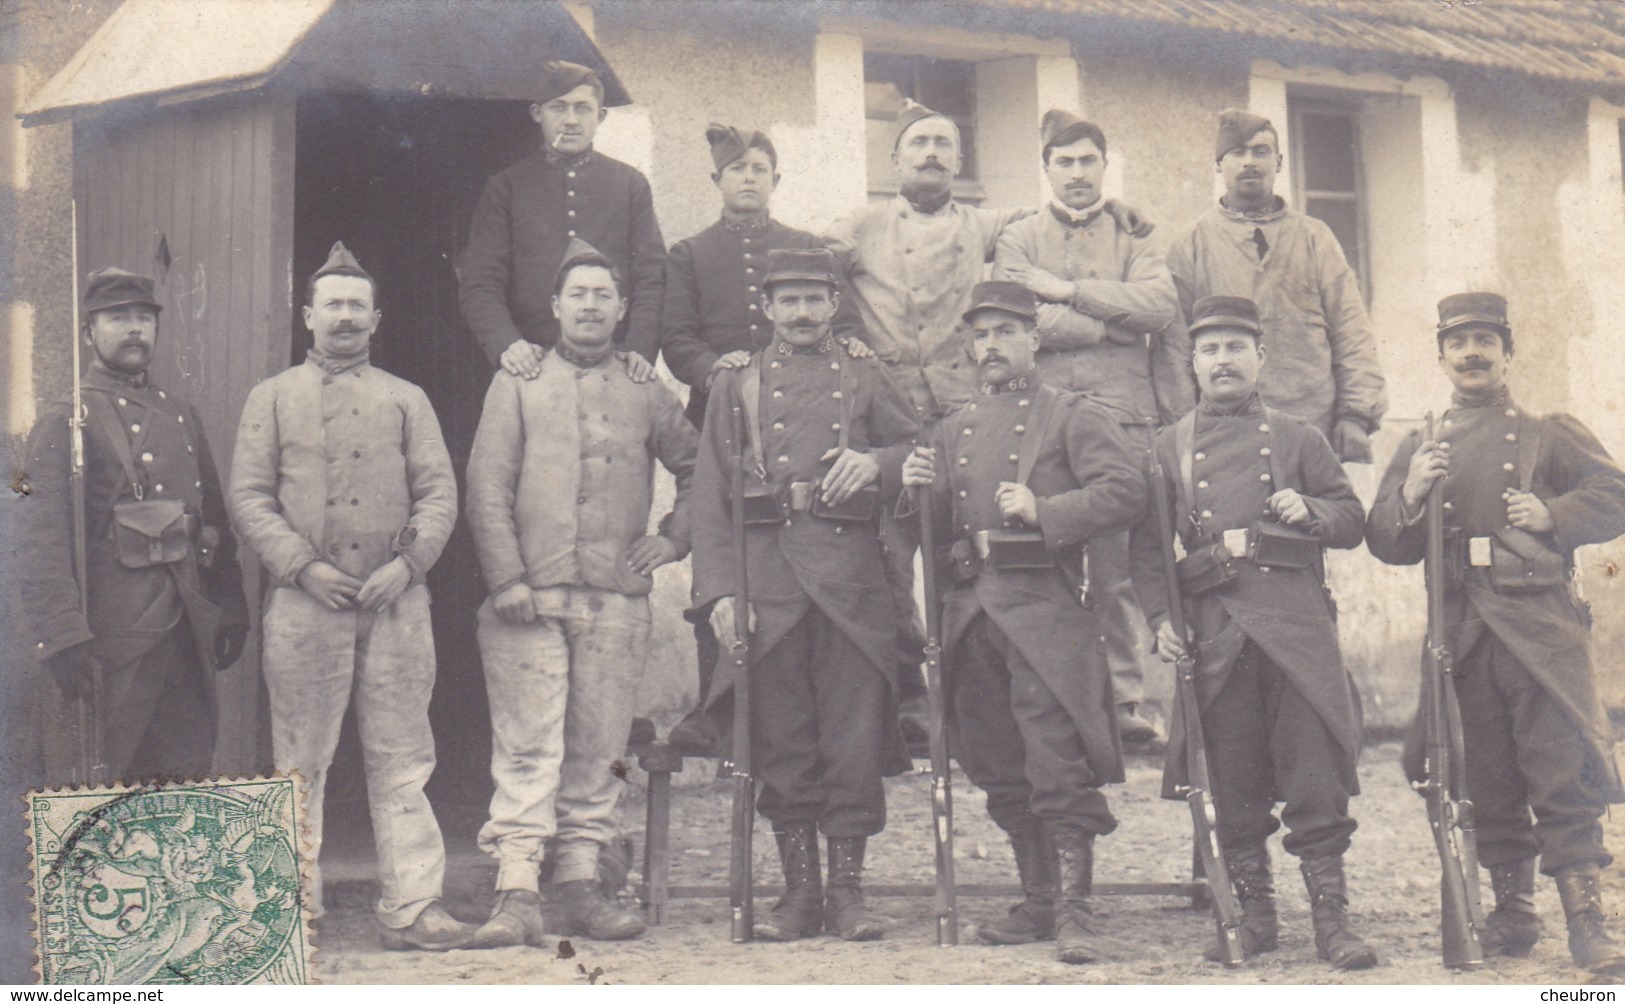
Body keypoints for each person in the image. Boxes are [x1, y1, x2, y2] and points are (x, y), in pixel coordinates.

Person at [1366, 292, 1625, 975]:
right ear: (1442, 356)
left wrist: (1551, 513)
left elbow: (1614, 495)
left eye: (1485, 340)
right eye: (1458, 342)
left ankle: (1585, 923)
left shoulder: (1548, 432)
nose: (1472, 353)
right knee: (1486, 776)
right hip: (1461, 630)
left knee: (1558, 771)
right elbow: (1384, 540)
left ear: (1507, 352)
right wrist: (1412, 493)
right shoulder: (1420, 443)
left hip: (1538, 629)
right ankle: (1512, 913)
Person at [1127, 294, 1376, 969]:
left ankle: (1331, 922)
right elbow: (1148, 550)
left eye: (1235, 346)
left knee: (1313, 778)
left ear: (1259, 359)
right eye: (1209, 349)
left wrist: (1311, 508)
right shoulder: (1167, 445)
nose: (1222, 360)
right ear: (1193, 364)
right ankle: (1252, 916)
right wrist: (1159, 620)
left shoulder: (1298, 437)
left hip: (1295, 630)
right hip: (1215, 631)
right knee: (1231, 783)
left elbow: (1352, 519)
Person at [229, 242, 466, 951]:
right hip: (306, 608)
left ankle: (414, 904)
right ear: (307, 316)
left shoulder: (406, 399)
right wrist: (302, 567)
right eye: (331, 304)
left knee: (403, 756)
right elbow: (250, 497)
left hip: (396, 607)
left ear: (376, 318)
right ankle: (294, 913)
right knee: (301, 758)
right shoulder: (270, 398)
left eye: (356, 306)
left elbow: (438, 492)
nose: (344, 317)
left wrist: (411, 563)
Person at [901, 280, 1145, 964]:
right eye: (980, 335)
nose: (990, 346)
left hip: (1043, 613)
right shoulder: (951, 429)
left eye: (1005, 332)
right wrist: (915, 489)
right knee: (995, 761)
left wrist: (1047, 509)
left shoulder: (1070, 415)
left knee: (1055, 759)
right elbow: (931, 532)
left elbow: (1126, 491)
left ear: (1033, 341)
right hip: (969, 614)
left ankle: (1074, 907)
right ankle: (1037, 899)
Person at [464, 238, 697, 946]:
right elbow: (486, 486)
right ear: (556, 307)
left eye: (603, 295)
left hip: (615, 602)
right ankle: (516, 891)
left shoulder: (644, 389)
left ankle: (579, 886)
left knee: (600, 751)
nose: (590, 306)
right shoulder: (520, 381)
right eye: (578, 295)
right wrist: (505, 577)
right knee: (529, 747)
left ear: (622, 310)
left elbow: (699, 470)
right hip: (527, 602)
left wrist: (670, 539)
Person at [689, 247, 919, 942]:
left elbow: (922, 453)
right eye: (786, 300)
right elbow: (709, 495)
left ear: (833, 305)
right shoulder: (736, 385)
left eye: (814, 298)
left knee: (851, 743)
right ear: (764, 308)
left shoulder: (864, 374)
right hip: (769, 584)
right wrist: (722, 591)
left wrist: (874, 462)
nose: (800, 312)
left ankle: (847, 894)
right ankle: (799, 896)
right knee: (783, 741)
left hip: (851, 586)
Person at [658, 122, 872, 754]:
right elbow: (677, 337)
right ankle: (713, 704)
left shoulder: (808, 250)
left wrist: (849, 345)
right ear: (717, 181)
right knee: (717, 538)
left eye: (759, 169)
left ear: (776, 180)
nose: (748, 178)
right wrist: (712, 369)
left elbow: (850, 324)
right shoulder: (691, 255)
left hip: (808, 415)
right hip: (724, 415)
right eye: (736, 170)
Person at [825, 100, 1030, 734]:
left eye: (944, 142)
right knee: (888, 558)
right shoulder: (860, 224)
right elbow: (809, 269)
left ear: (960, 160)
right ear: (895, 159)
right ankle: (911, 696)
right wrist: (847, 332)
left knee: (964, 553)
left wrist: (1118, 213)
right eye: (919, 143)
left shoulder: (984, 223)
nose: (932, 153)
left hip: (963, 413)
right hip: (889, 417)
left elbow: (1047, 220)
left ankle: (971, 702)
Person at [993, 109, 1191, 742]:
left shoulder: (1137, 237)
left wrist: (1068, 291)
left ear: (1105, 167)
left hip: (1124, 416)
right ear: (1047, 170)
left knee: (1116, 564)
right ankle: (1060, 705)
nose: (1077, 173)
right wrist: (1108, 322)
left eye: (1088, 161)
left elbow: (1159, 306)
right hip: (1044, 419)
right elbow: (1019, 320)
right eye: (1064, 162)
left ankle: (1128, 704)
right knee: (1048, 556)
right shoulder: (1019, 238)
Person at [18, 267, 248, 782]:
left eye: (144, 317)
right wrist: (61, 637)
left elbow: (213, 519)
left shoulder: (181, 414)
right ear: (88, 333)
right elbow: (36, 540)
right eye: (118, 318)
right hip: (111, 639)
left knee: (183, 774)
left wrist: (230, 603)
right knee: (104, 785)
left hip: (185, 631)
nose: (134, 329)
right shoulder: (65, 419)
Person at [1166, 108, 1387, 463]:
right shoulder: (1190, 245)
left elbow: (1352, 331)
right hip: (1224, 429)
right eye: (1236, 153)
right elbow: (1174, 349)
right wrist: (1186, 425)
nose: (1249, 162)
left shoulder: (1315, 238)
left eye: (1260, 151)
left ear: (1279, 162)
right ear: (1218, 164)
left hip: (1314, 424)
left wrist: (1356, 415)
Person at [459, 60, 666, 374]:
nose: (571, 120)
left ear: (601, 115)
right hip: (531, 363)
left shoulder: (629, 184)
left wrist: (640, 349)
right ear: (537, 114)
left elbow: (652, 276)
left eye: (582, 108)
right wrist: (506, 343)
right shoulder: (506, 187)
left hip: (615, 362)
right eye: (559, 108)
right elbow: (480, 281)